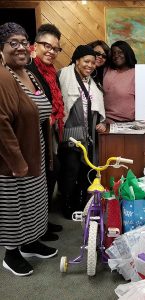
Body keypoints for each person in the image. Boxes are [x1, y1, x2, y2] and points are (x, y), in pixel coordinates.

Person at [0, 22, 57, 277]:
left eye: (24, 42)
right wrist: (17, 162)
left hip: (35, 150)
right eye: (13, 43)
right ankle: (11, 254)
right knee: (16, 207)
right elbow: (1, 124)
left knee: (34, 202)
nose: (21, 47)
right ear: (1, 48)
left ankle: (30, 243)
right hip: (15, 158)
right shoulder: (2, 76)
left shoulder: (29, 73)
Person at [26, 23, 64, 242]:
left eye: (55, 48)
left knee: (50, 175)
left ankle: (42, 222)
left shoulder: (50, 72)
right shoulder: (29, 69)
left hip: (49, 132)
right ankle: (34, 230)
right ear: (35, 45)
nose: (50, 51)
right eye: (46, 46)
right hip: (34, 135)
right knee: (39, 180)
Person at [58, 45, 105, 219]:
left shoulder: (93, 82)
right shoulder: (63, 76)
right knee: (70, 171)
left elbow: (98, 108)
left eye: (93, 62)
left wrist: (102, 121)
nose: (90, 65)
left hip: (88, 135)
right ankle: (67, 205)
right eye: (86, 61)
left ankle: (80, 204)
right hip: (70, 133)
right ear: (77, 61)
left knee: (85, 170)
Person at [102, 40, 137, 129]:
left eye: (120, 52)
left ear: (127, 53)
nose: (116, 56)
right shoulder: (106, 70)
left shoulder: (136, 73)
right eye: (114, 53)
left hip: (129, 124)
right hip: (106, 123)